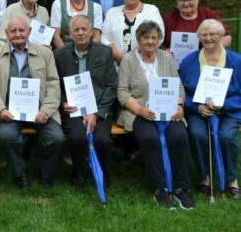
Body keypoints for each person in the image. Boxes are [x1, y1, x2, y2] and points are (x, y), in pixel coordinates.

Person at [117, 20, 194, 210]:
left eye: (154, 37)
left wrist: (179, 106)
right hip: (140, 111)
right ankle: (159, 188)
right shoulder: (128, 59)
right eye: (146, 38)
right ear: (138, 39)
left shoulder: (166, 58)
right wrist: (140, 110)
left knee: (180, 136)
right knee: (149, 138)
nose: (150, 41)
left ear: (159, 39)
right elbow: (122, 92)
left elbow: (179, 87)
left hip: (169, 111)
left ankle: (182, 188)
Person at [0, 16, 65, 189]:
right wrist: (0, 109)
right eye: (13, 31)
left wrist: (46, 110)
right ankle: (20, 174)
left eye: (22, 30)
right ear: (6, 33)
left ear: (30, 32)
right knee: (7, 136)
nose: (18, 34)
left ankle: (44, 171)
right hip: (9, 112)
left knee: (57, 139)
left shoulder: (46, 54)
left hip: (40, 110)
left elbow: (53, 83)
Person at [179, 19, 241, 200]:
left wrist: (225, 105)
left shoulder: (236, 61)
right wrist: (196, 107)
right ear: (199, 37)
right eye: (204, 34)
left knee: (227, 136)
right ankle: (204, 177)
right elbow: (182, 91)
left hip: (228, 111)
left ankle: (231, 180)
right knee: (197, 134)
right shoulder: (189, 61)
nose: (208, 38)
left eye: (213, 34)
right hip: (199, 111)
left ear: (221, 36)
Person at [54, 15, 118, 187]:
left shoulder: (104, 52)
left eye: (84, 29)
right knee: (76, 137)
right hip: (73, 109)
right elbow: (53, 84)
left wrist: (95, 113)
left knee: (102, 140)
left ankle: (104, 172)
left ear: (91, 32)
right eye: (76, 29)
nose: (81, 33)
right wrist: (62, 102)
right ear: (70, 33)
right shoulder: (59, 55)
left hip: (99, 108)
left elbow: (112, 86)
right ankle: (77, 170)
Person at [102, 0, 164, 65]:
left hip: (144, 64)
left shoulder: (152, 11)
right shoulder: (111, 13)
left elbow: (159, 36)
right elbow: (104, 38)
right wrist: (120, 58)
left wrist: (134, 57)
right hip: (115, 64)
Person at [162, 0, 231, 50]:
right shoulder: (168, 18)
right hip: (174, 60)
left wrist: (209, 49)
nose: (186, 3)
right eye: (182, 0)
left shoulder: (209, 15)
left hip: (205, 59)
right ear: (177, 1)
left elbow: (227, 37)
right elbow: (158, 42)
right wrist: (165, 51)